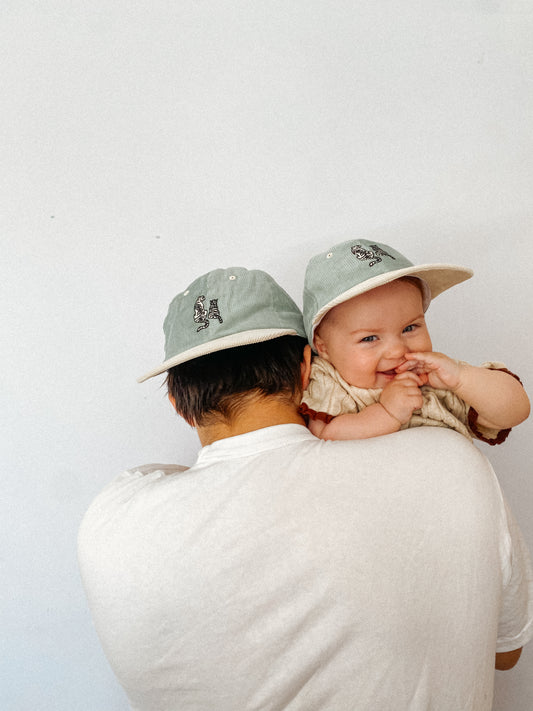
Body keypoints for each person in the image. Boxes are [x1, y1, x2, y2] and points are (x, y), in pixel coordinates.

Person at [78, 266, 533, 711]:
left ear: (179, 404)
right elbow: (506, 651)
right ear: (306, 367)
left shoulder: (108, 518)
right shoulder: (450, 460)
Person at [300, 239, 530, 442]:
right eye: (369, 338)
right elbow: (324, 436)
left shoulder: (434, 380)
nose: (397, 350)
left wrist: (461, 377)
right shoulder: (329, 382)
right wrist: (386, 412)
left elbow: (515, 412)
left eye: (410, 327)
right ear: (324, 348)